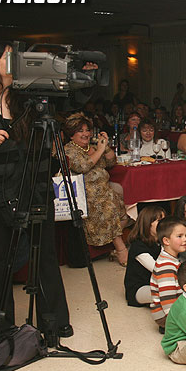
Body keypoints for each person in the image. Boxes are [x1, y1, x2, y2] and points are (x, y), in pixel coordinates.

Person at [0, 40, 71, 336]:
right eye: (8, 56)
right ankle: (1, 326)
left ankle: (53, 322)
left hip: (35, 185)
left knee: (44, 256)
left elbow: (69, 104)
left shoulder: (28, 95)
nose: (13, 60)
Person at [62, 112, 129, 265]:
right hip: (85, 193)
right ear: (71, 135)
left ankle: (112, 244)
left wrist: (105, 146)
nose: (86, 134)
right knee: (107, 208)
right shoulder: (69, 150)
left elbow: (111, 162)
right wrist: (99, 150)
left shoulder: (92, 147)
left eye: (87, 130)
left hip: (104, 190)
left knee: (123, 207)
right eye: (80, 131)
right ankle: (121, 249)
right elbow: (83, 166)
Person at [150, 217, 186, 332]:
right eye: (180, 236)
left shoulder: (171, 259)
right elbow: (167, 300)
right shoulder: (166, 266)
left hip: (176, 307)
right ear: (166, 241)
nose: (185, 239)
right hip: (166, 315)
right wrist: (175, 321)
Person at [125, 205, 165, 307]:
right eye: (159, 221)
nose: (164, 224)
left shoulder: (160, 241)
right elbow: (158, 269)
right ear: (148, 223)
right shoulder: (138, 246)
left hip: (157, 282)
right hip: (139, 287)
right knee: (169, 293)